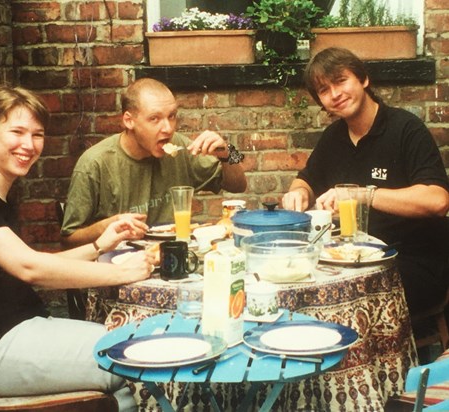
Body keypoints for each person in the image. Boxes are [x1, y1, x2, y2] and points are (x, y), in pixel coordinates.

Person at [0, 85, 155, 411]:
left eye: (37, 135)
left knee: (136, 350)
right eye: (17, 132)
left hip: (15, 332)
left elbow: (31, 267)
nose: (28, 145)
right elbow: (31, 268)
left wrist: (100, 244)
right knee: (135, 357)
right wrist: (122, 271)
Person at [282, 47, 449, 316]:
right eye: (324, 90)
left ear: (363, 79)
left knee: (338, 297)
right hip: (351, 259)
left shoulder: (405, 128)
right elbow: (305, 180)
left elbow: (438, 200)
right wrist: (297, 193)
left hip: (412, 261)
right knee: (292, 282)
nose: (335, 94)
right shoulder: (334, 137)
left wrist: (363, 195)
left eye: (340, 81)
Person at [61, 78, 247, 248]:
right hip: (115, 266)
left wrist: (227, 151)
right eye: (154, 119)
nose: (167, 128)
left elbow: (238, 185)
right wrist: (108, 225)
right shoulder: (94, 163)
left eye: (172, 116)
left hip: (172, 254)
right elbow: (68, 239)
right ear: (129, 121)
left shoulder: (179, 146)